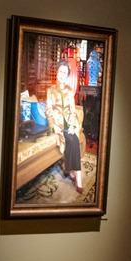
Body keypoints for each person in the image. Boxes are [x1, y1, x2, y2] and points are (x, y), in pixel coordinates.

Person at [46, 60, 83, 193]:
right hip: (58, 124)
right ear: (57, 73)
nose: (62, 74)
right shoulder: (50, 90)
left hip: (69, 122)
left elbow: (73, 110)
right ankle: (75, 175)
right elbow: (48, 111)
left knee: (74, 139)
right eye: (60, 71)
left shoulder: (69, 90)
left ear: (67, 75)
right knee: (72, 140)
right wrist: (53, 126)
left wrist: (73, 126)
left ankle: (75, 175)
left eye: (65, 72)